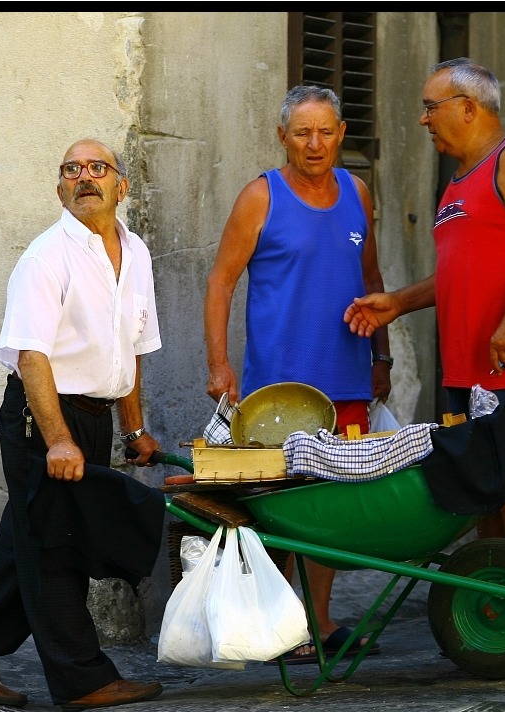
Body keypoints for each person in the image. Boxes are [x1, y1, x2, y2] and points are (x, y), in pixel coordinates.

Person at [0, 139, 166, 712]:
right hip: (43, 419)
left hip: (93, 417)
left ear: (121, 186)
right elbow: (31, 356)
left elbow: (130, 350)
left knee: (26, 542)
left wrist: (133, 429)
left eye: (97, 168)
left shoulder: (136, 253)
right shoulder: (47, 257)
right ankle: (82, 679)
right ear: (60, 189)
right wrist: (58, 439)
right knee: (55, 550)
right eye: (72, 170)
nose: (85, 177)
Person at [344, 58, 505, 545]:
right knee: (486, 505)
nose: (423, 119)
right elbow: (462, 272)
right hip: (468, 371)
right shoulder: (457, 181)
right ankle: (494, 592)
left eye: (431, 107)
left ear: (468, 107)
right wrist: (398, 303)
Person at [204, 85, 391, 663]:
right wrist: (219, 364)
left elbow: (373, 280)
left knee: (333, 505)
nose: (315, 143)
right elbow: (221, 282)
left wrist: (382, 357)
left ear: (341, 135)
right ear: (282, 136)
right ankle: (280, 626)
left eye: (326, 131)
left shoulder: (357, 193)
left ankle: (319, 620)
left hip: (349, 379)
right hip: (280, 388)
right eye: (303, 132)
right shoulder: (261, 196)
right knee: (284, 506)